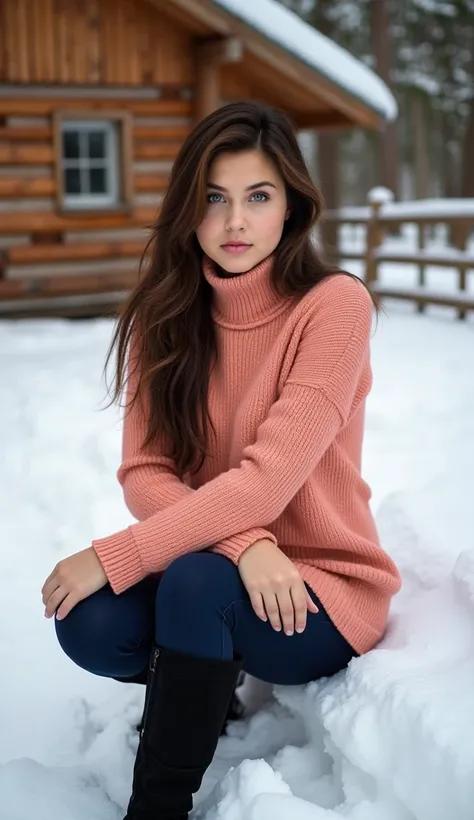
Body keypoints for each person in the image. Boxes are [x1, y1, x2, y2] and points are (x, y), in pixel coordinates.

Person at [41, 100, 401, 820]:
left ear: (292, 205)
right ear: (188, 209)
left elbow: (269, 480)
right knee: (91, 621)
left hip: (320, 591)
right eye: (214, 198)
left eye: (257, 197)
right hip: (228, 568)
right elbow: (145, 473)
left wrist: (121, 553)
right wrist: (249, 546)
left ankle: (159, 805)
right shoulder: (164, 316)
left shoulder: (333, 307)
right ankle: (201, 689)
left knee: (196, 582)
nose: (235, 221)